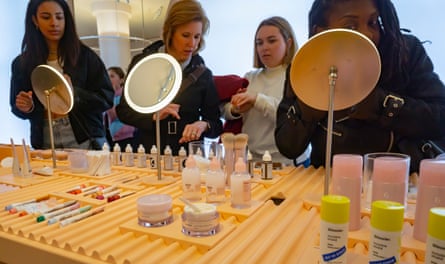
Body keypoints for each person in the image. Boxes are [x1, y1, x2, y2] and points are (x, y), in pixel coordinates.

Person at [275, 0, 445, 172]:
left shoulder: (404, 53)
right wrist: (308, 107)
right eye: (350, 26)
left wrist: (381, 105)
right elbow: (287, 146)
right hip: (328, 182)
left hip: (400, 182)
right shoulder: (303, 67)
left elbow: (439, 119)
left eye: (372, 22)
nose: (368, 34)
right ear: (320, 30)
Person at [116, 0, 222, 155]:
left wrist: (203, 125)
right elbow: (124, 111)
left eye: (197, 36)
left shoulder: (203, 74)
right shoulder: (143, 63)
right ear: (170, 32)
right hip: (148, 152)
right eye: (185, 35)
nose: (192, 44)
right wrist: (153, 116)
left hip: (188, 157)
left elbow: (216, 124)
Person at [10, 0, 114, 150]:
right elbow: (16, 106)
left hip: (84, 137)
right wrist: (26, 107)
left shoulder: (85, 56)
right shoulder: (22, 64)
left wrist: (74, 94)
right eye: (46, 17)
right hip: (45, 138)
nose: (54, 23)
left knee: (92, 173)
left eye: (59, 17)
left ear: (66, 19)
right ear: (35, 20)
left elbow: (106, 98)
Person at [221, 16, 310, 166]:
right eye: (259, 43)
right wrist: (236, 110)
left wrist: (257, 99)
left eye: (271, 40)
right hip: (252, 160)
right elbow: (225, 111)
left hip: (289, 163)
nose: (264, 47)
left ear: (288, 43)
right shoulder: (250, 77)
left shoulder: (298, 76)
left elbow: (293, 120)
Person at [104, 66, 138, 151]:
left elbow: (114, 115)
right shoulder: (112, 95)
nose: (108, 79)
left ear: (122, 80)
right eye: (107, 76)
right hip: (114, 137)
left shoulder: (124, 95)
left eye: (112, 76)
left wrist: (109, 95)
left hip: (126, 136)